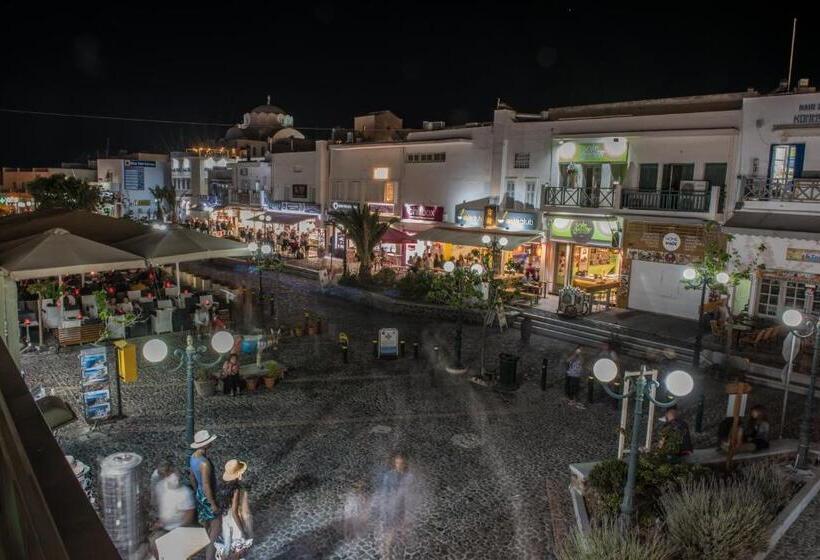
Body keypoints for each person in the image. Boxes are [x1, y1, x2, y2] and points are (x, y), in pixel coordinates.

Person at [149, 462, 195, 558]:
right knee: (154, 543)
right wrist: (160, 523)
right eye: (169, 474)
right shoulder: (160, 487)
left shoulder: (185, 493)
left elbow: (189, 517)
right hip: (165, 528)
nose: (174, 477)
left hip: (180, 529)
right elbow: (161, 506)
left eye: (174, 473)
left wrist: (177, 531)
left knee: (172, 551)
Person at [189, 430, 221, 560]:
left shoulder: (193, 457)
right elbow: (207, 485)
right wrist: (213, 504)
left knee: (206, 525)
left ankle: (201, 550)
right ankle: (210, 556)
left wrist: (197, 491)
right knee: (216, 528)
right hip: (207, 496)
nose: (212, 443)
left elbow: (191, 476)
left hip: (200, 495)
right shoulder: (204, 463)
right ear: (205, 444)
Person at [214, 459, 253, 560]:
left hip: (225, 520)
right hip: (233, 521)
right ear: (238, 474)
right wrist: (242, 530)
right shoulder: (236, 490)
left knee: (227, 547)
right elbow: (235, 511)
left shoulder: (222, 487)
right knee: (238, 550)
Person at [377, 452, 414, 558]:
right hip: (391, 507)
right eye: (397, 463)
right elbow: (384, 493)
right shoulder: (388, 475)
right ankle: (386, 553)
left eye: (401, 463)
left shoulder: (409, 476)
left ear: (405, 463)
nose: (399, 465)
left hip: (402, 507)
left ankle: (393, 549)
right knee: (390, 531)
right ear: (394, 463)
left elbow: (409, 493)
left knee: (399, 530)